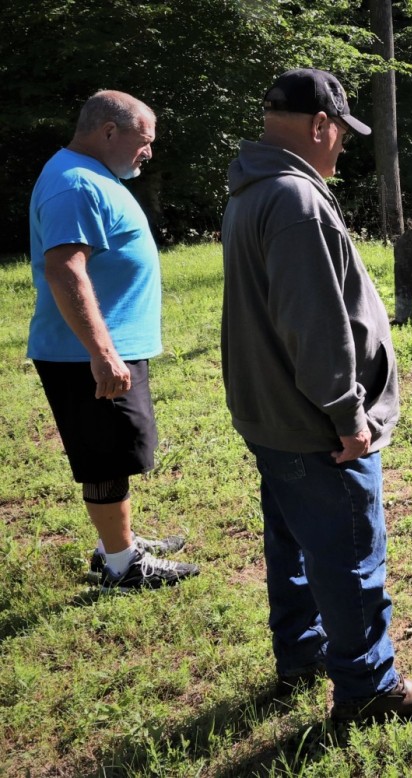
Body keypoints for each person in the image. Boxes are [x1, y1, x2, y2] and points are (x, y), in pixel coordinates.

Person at [220, 69, 412, 723]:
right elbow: (314, 326)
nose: (341, 148)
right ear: (321, 124)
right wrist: (349, 419)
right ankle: (370, 688)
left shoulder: (252, 188)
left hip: (272, 415)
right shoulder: (295, 199)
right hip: (316, 425)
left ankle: (301, 652)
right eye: (342, 134)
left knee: (294, 543)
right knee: (349, 554)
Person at [27, 90, 200, 591]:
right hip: (86, 354)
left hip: (101, 349)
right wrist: (102, 353)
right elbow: (65, 268)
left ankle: (117, 544)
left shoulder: (87, 173)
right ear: (109, 132)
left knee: (117, 449)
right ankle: (122, 565)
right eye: (143, 141)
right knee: (105, 453)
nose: (149, 151)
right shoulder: (75, 183)